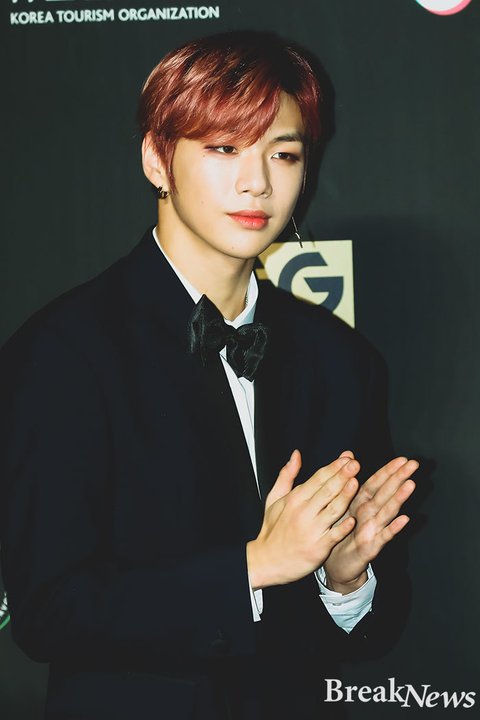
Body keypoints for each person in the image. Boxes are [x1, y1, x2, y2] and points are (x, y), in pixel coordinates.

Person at [0, 30, 417, 720]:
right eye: (224, 149)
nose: (258, 182)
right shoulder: (63, 353)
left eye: (283, 154)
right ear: (157, 159)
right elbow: (48, 612)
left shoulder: (340, 361)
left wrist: (344, 580)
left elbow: (368, 636)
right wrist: (255, 565)